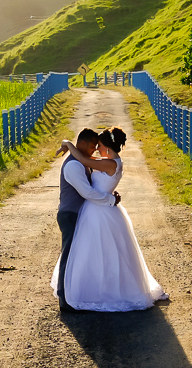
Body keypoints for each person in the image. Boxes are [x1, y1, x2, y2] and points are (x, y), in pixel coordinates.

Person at [50, 127, 168, 312]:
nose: (96, 150)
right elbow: (87, 166)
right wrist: (68, 143)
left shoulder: (109, 163)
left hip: (99, 210)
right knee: (86, 253)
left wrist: (68, 144)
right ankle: (73, 293)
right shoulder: (106, 162)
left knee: (99, 253)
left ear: (107, 146)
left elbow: (86, 164)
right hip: (91, 210)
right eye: (94, 146)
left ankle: (92, 292)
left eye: (98, 146)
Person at [54, 127, 120, 312]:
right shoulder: (74, 165)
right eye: (92, 146)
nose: (94, 150)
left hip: (80, 214)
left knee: (79, 257)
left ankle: (77, 293)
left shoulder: (82, 162)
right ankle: (64, 298)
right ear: (82, 144)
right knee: (68, 256)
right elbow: (88, 192)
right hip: (70, 215)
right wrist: (110, 200)